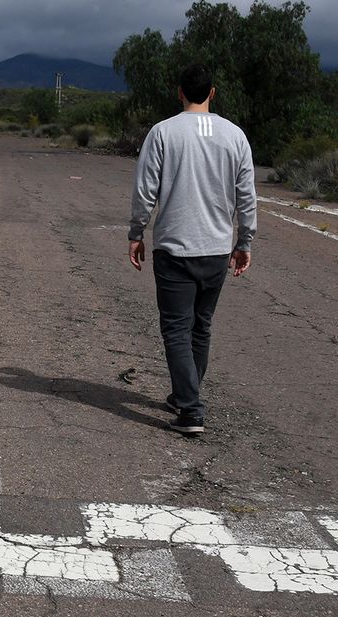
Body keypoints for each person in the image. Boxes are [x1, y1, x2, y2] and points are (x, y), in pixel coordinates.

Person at [127, 63, 256, 436]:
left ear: (179, 92)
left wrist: (136, 232)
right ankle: (186, 392)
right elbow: (246, 197)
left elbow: (145, 190)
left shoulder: (163, 133)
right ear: (212, 92)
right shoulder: (235, 136)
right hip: (216, 248)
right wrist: (244, 242)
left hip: (174, 248)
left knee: (176, 328)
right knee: (201, 326)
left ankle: (190, 408)